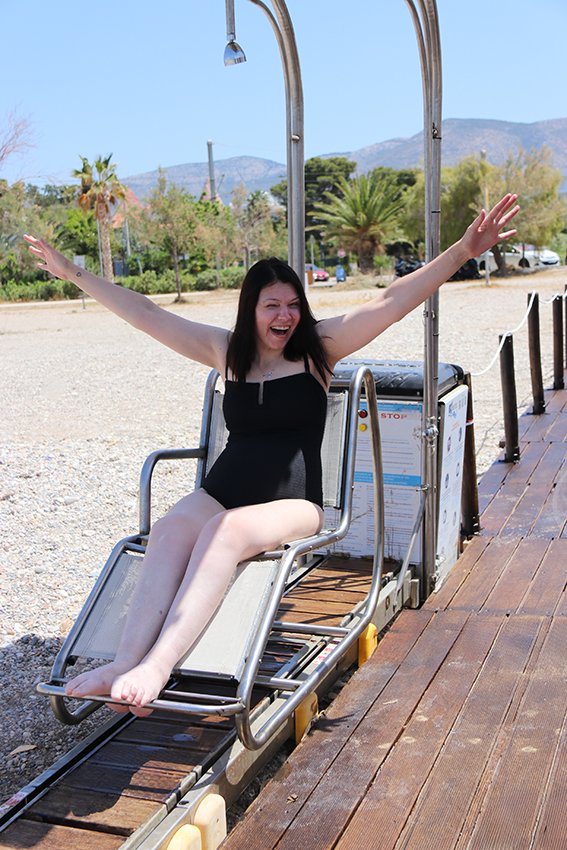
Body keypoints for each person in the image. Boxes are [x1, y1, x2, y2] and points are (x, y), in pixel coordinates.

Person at [24, 192, 519, 714]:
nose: (284, 315)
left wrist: (463, 250)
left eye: (292, 304)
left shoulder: (318, 351)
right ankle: (125, 661)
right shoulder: (226, 352)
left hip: (295, 502)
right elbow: (144, 312)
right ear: (251, 310)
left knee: (225, 532)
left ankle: (158, 665)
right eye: (271, 306)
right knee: (171, 527)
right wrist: (74, 273)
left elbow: (389, 302)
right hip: (223, 491)